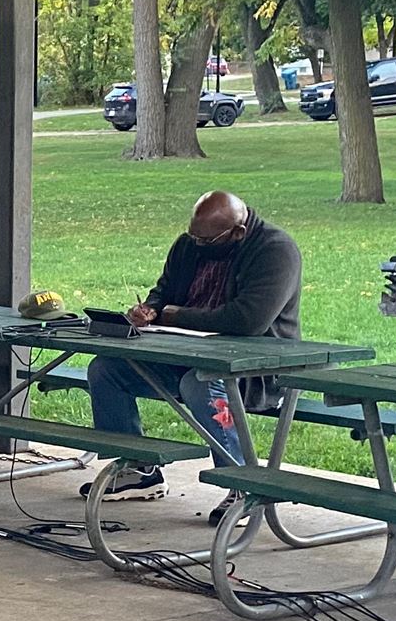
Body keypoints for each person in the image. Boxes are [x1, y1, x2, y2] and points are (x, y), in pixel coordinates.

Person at [84, 188, 302, 503]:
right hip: (186, 354)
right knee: (107, 370)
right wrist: (151, 309)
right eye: (193, 236)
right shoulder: (190, 245)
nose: (196, 245)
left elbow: (249, 321)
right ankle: (138, 469)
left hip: (255, 368)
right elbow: (165, 290)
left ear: (238, 232)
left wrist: (179, 317)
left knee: (200, 383)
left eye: (206, 241)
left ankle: (241, 483)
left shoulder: (275, 250)